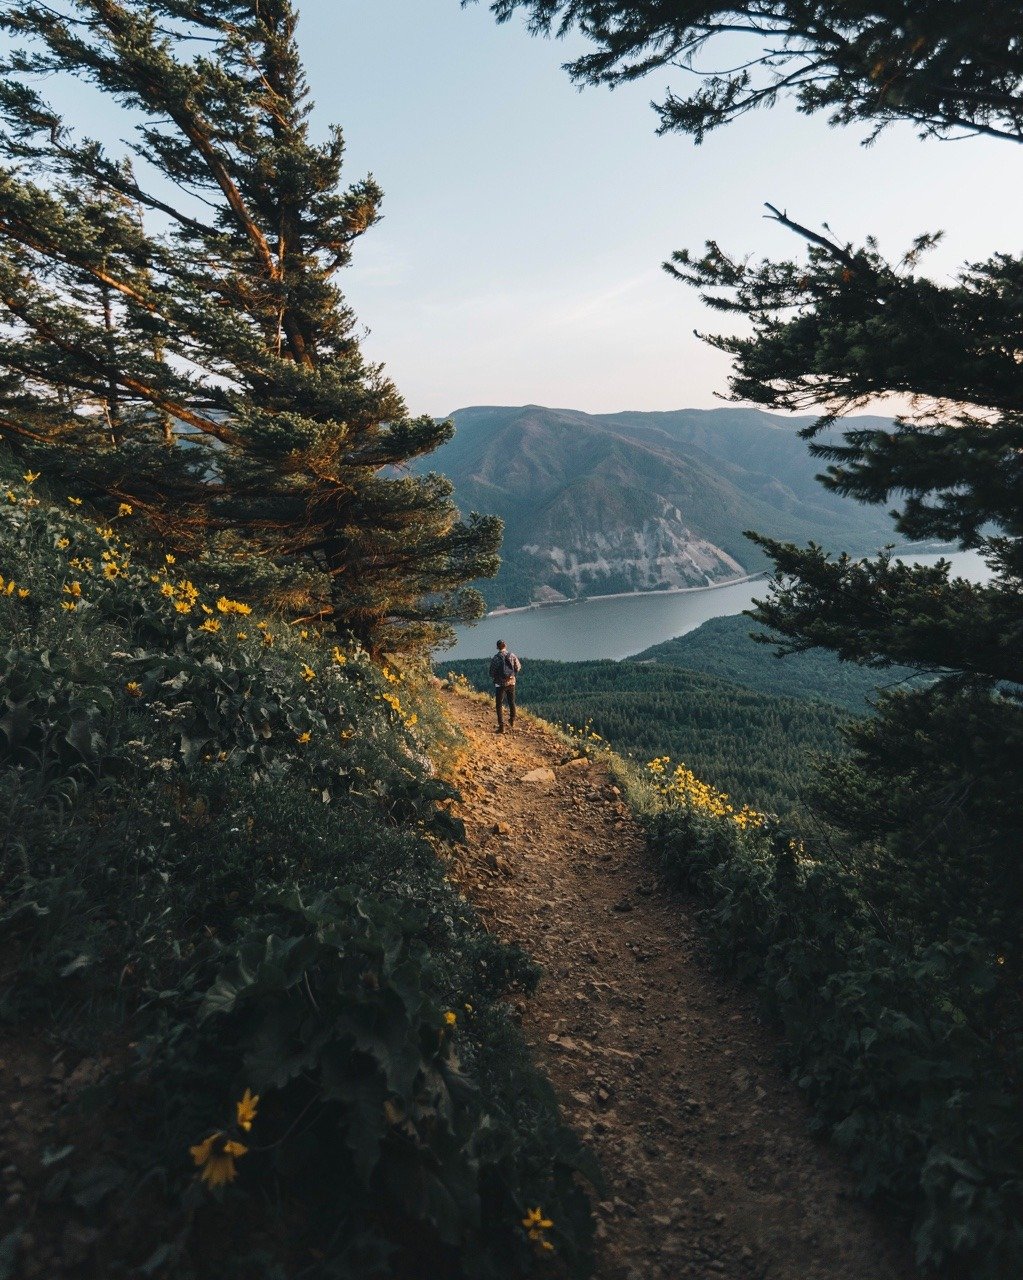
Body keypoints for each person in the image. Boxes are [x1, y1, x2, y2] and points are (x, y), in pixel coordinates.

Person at [488, 639, 521, 733]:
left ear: (497, 647)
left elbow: (491, 672)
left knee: (499, 705)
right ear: (505, 645)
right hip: (511, 682)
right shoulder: (512, 655)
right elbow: (518, 667)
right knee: (511, 702)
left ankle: (501, 726)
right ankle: (512, 720)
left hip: (500, 684)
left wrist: (498, 676)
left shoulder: (496, 658)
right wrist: (511, 674)